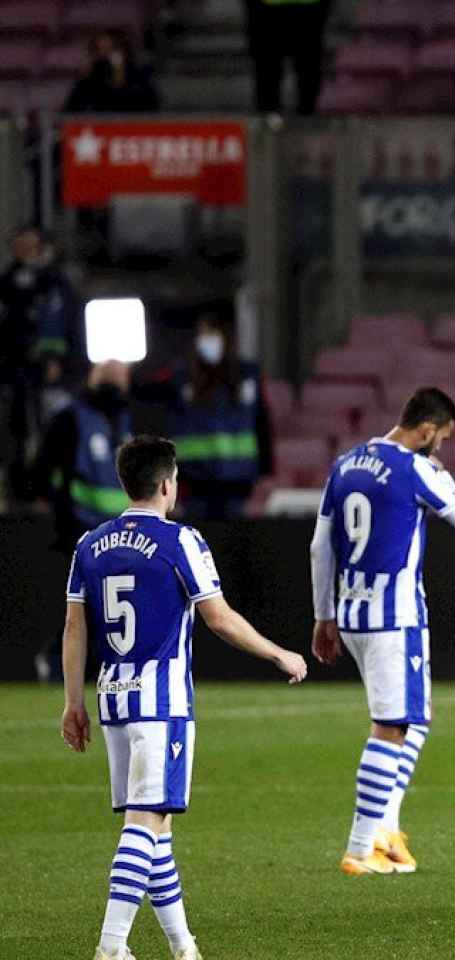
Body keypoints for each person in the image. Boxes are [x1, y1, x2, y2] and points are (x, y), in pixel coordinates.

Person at [59, 435, 307, 960]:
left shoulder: (89, 546)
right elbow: (218, 618)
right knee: (144, 824)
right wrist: (278, 653)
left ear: (125, 483)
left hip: (113, 701)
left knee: (157, 829)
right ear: (168, 484)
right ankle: (111, 945)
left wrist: (72, 702)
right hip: (161, 703)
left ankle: (183, 946)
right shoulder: (180, 541)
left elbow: (73, 628)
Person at [308, 387, 455, 875]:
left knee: (415, 717)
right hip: (394, 614)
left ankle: (387, 829)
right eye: (441, 440)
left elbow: (321, 546)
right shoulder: (415, 467)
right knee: (390, 726)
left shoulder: (344, 465)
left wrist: (324, 615)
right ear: (426, 431)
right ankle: (362, 848)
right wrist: (443, 477)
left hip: (353, 611)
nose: (439, 448)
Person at [31, 362, 135, 681]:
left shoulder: (125, 421)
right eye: (110, 378)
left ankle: (103, 672)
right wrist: (60, 510)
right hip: (81, 529)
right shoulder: (70, 419)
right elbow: (41, 472)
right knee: (82, 610)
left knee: (110, 610)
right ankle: (53, 660)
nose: (115, 385)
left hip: (123, 534)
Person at [168, 315, 274, 520]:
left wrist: (266, 468)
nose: (207, 341)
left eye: (212, 334)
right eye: (203, 335)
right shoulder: (181, 379)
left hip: (238, 480)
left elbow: (262, 423)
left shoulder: (247, 375)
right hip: (195, 483)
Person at [0, 224, 74, 480]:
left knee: (46, 422)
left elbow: (57, 321)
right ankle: (21, 479)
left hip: (42, 367)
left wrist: (53, 359)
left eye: (29, 244)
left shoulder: (52, 279)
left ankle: (44, 480)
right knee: (19, 424)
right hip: (15, 364)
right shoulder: (9, 278)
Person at [246, 0, 329, 115]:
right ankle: (304, 118)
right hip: (306, 11)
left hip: (271, 11)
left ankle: (270, 120)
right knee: (305, 71)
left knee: (269, 72)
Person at [63, 31, 161, 113]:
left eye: (111, 49)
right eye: (100, 50)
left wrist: (119, 76)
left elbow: (152, 107)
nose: (105, 55)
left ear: (124, 51)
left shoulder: (139, 75)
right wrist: (84, 78)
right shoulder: (89, 80)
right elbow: (70, 112)